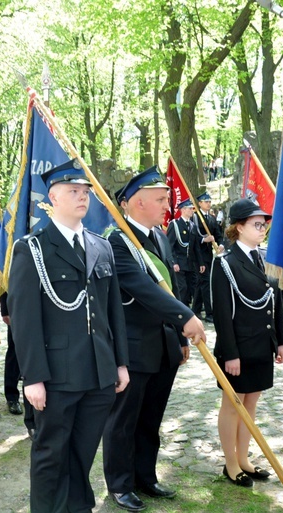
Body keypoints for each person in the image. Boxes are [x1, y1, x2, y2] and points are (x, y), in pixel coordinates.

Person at [7, 159, 130, 513]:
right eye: (73, 191)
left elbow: (113, 313)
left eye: (86, 192)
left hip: (98, 372)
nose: (82, 197)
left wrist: (120, 363)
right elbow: (25, 321)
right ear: (53, 198)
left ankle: (77, 507)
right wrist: (33, 378)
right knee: (50, 454)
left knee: (83, 451)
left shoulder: (100, 246)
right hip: (57, 373)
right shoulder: (32, 249)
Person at [103, 167, 207, 512]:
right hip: (133, 348)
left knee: (151, 418)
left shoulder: (160, 237)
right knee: (123, 421)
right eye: (161, 200)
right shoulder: (118, 241)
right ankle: (120, 485)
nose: (168, 205)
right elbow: (143, 288)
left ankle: (144, 476)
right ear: (137, 202)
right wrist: (187, 318)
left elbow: (173, 288)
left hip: (163, 346)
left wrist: (180, 337)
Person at [211, 198, 283, 488]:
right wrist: (230, 354)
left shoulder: (265, 258)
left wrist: (281, 341)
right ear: (239, 227)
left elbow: (275, 302)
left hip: (261, 347)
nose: (263, 229)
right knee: (233, 405)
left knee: (251, 404)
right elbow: (221, 313)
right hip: (239, 350)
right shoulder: (226, 263)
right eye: (257, 224)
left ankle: (244, 459)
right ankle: (230, 464)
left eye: (264, 224)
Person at [192, 192, 224, 323]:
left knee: (202, 282)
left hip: (208, 255)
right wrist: (203, 239)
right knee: (206, 283)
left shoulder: (211, 218)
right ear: (199, 204)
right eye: (206, 202)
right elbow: (192, 235)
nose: (208, 204)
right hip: (197, 254)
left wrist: (221, 244)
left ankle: (196, 309)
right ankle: (209, 313)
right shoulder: (194, 217)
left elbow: (218, 234)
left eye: (209, 201)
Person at [167, 199, 203, 307]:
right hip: (179, 262)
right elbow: (170, 245)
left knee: (191, 288)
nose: (192, 210)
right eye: (190, 208)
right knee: (182, 288)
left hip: (190, 263)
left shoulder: (192, 226)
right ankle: (180, 310)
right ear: (183, 209)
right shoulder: (175, 225)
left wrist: (201, 263)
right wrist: (174, 262)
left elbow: (196, 247)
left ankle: (188, 310)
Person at [0, 293, 24, 416]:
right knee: (14, 352)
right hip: (18, 307)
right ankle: (12, 397)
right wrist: (5, 309)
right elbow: (4, 279)